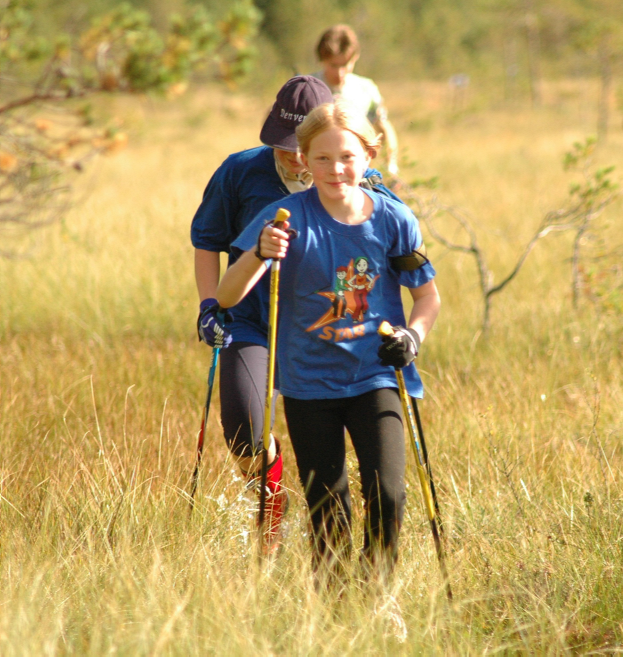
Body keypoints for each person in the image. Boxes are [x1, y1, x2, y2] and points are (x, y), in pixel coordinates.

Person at [215, 100, 440, 594]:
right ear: (303, 158)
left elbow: (426, 297)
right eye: (320, 158)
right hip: (308, 382)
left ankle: (378, 594)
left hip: (376, 375)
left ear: (369, 154)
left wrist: (412, 337)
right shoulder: (284, 219)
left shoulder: (395, 220)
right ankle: (334, 609)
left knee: (388, 493)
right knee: (327, 504)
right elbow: (228, 296)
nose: (335, 169)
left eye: (346, 157)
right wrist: (258, 253)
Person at [190, 75, 335, 547]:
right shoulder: (239, 171)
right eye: (283, 144)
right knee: (244, 434)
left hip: (319, 329)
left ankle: (326, 530)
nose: (294, 156)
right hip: (247, 321)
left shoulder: (348, 176)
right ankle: (271, 497)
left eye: (303, 145)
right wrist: (209, 305)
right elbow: (207, 244)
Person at [313, 24, 400, 178]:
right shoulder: (308, 87)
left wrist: (391, 166)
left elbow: (384, 127)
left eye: (346, 65)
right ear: (322, 59)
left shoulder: (367, 89)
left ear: (355, 58)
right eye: (333, 65)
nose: (340, 73)